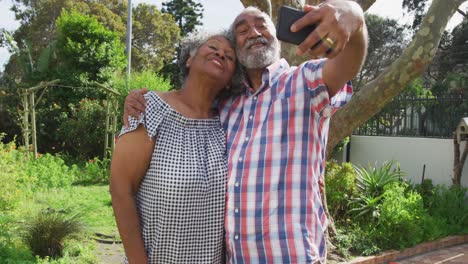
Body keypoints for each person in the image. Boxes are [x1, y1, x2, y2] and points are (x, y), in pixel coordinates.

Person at [124, 1, 368, 263]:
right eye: (242, 30)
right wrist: (136, 100)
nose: (253, 32)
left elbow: (347, 64)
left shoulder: (305, 82)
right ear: (236, 50)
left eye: (261, 25)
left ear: (277, 35)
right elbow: (187, 104)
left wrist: (354, 18)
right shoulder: (225, 106)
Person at [110, 31, 242, 263]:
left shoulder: (228, 122)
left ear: (231, 78)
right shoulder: (149, 108)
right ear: (189, 59)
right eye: (212, 47)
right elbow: (121, 190)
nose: (220, 53)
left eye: (229, 57)